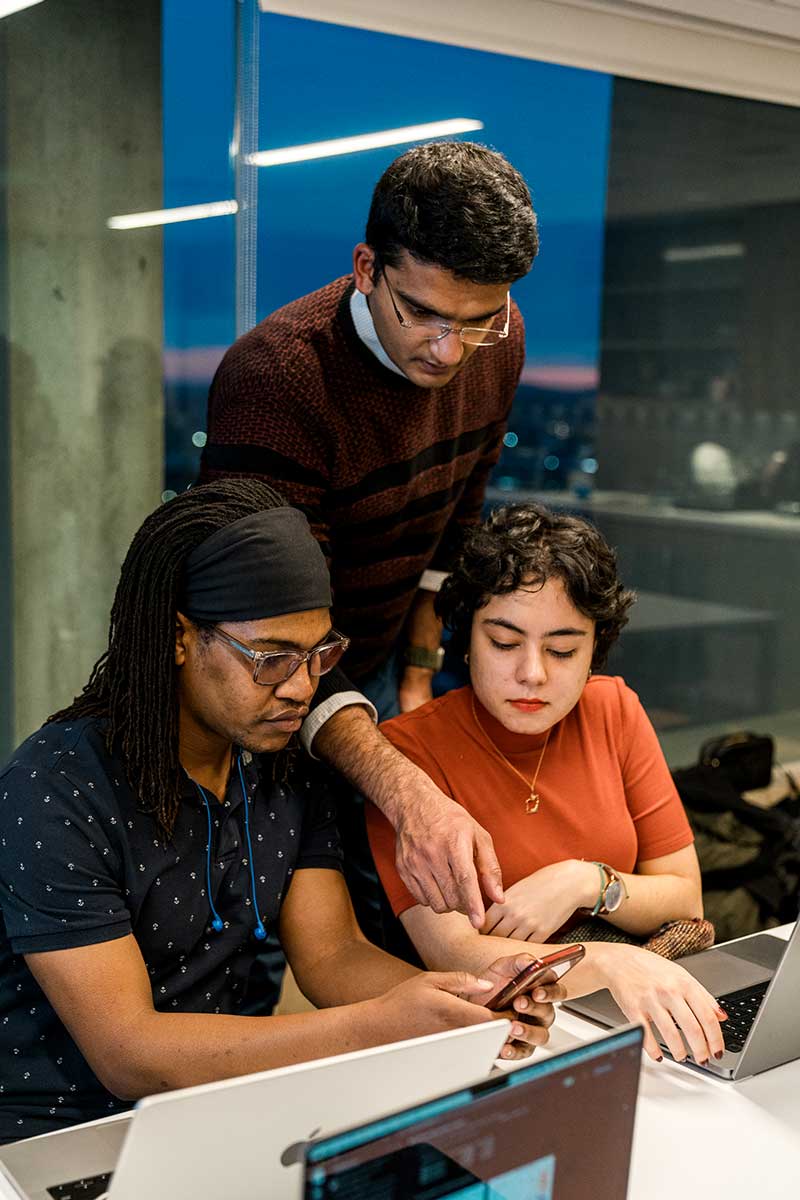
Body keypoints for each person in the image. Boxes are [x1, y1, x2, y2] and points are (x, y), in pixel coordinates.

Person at [0, 481, 562, 1144]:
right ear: (179, 637)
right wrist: (380, 1025)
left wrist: (459, 1002)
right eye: (270, 659)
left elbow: (331, 954)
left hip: (230, 1107)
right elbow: (129, 1051)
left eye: (319, 654)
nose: (301, 688)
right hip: (55, 1139)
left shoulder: (280, 762)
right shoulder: (55, 787)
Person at [199, 140, 540, 932]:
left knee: (387, 909)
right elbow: (273, 639)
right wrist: (405, 784)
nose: (449, 350)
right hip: (251, 676)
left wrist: (418, 677)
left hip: (374, 659)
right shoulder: (279, 380)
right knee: (251, 927)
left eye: (476, 321)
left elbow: (455, 519)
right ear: (364, 268)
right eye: (420, 311)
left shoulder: (503, 336)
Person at [367, 503, 728, 1063]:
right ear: (466, 641)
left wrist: (583, 882)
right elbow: (452, 951)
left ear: (594, 651)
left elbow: (684, 896)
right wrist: (608, 960)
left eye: (562, 650)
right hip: (494, 1037)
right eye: (505, 643)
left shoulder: (613, 708)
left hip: (623, 1015)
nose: (532, 673)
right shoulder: (406, 756)